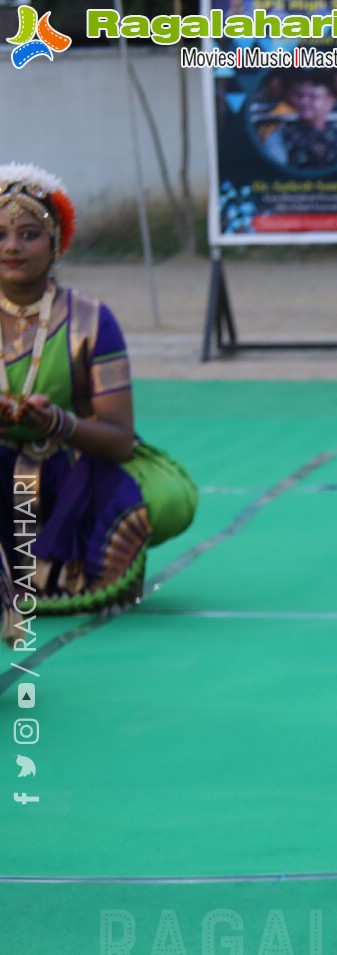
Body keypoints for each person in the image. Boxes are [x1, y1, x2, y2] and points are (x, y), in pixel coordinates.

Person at [0, 166, 191, 642]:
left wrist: (58, 423)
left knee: (157, 499)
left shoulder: (90, 319)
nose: (11, 247)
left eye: (29, 235)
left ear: (56, 241)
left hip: (72, 470)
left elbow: (120, 439)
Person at [263, 70, 337, 172]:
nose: (303, 102)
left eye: (313, 97)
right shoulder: (279, 137)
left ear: (330, 102)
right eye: (300, 96)